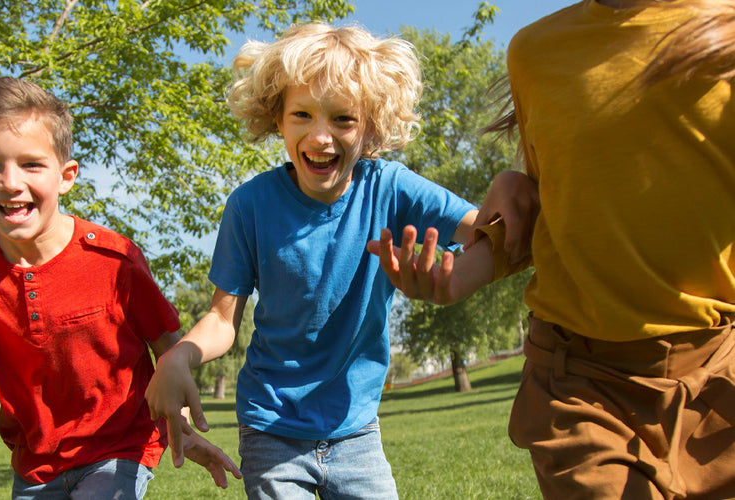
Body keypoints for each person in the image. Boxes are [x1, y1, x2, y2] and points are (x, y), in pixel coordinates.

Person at [146, 23, 507, 499]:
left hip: (355, 427)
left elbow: (488, 230)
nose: (321, 136)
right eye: (302, 114)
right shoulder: (249, 206)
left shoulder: (390, 188)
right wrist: (180, 356)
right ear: (277, 118)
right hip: (271, 427)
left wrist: (462, 269)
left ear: (371, 126)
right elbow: (221, 317)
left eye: (343, 119)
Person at [0, 77, 240, 500]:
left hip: (118, 448)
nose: (11, 181)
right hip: (34, 466)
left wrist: (179, 426)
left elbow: (168, 350)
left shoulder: (115, 260)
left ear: (66, 175)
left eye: (32, 164)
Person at [473, 1, 735, 498]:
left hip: (717, 377)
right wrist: (511, 186)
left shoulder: (726, 27)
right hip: (582, 384)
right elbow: (557, 202)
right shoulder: (534, 51)